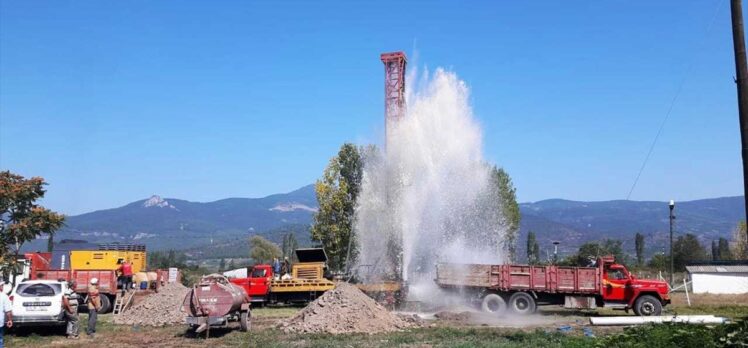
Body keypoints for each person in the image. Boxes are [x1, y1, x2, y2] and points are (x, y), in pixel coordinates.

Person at [0, 281, 12, 348]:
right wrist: (10, 320)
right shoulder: (4, 296)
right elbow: (8, 311)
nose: (3, 286)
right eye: (2, 285)